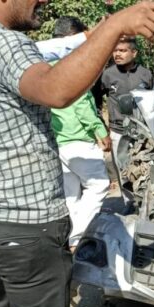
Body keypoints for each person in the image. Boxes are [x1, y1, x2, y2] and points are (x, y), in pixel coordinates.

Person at [0, 0, 154, 307]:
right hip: (24, 222)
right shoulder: (3, 43)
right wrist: (113, 27)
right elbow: (55, 90)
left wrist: (102, 33)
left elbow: (48, 51)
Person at [49, 16, 112, 253]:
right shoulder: (71, 65)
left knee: (70, 194)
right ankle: (76, 235)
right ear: (71, 38)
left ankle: (68, 240)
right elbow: (81, 103)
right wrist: (100, 130)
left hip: (58, 140)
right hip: (78, 140)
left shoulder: (45, 62)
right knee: (99, 185)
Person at [101, 37, 153, 186]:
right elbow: (96, 101)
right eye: (115, 51)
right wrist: (103, 128)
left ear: (134, 53)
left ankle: (144, 202)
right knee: (122, 169)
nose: (117, 54)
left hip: (142, 131)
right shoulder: (107, 75)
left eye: (122, 51)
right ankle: (127, 201)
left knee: (145, 167)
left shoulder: (145, 74)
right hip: (118, 131)